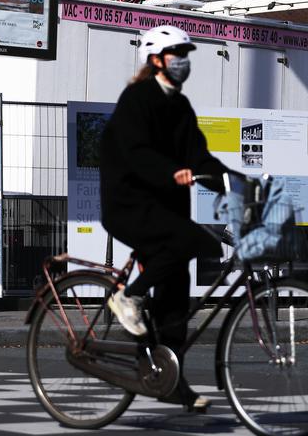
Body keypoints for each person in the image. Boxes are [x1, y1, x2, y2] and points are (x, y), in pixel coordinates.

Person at [99, 24, 229, 411]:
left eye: (185, 55)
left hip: (166, 209)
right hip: (130, 205)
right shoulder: (137, 98)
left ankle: (169, 380)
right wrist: (170, 171)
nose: (183, 62)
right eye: (176, 55)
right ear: (156, 60)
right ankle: (128, 296)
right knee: (197, 242)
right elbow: (135, 151)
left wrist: (234, 181)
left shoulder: (180, 106)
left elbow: (199, 155)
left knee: (174, 301)